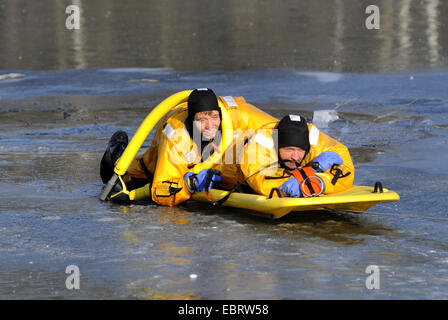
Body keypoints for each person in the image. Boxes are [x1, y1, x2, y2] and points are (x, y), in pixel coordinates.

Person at [100, 88, 278, 206]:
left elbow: (282, 129)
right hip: (160, 167)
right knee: (130, 176)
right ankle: (118, 156)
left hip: (216, 159)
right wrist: (190, 183)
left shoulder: (240, 114)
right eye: (202, 120)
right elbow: (160, 190)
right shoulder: (176, 136)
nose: (210, 125)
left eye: (214, 117)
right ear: (192, 120)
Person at [237, 114, 354, 198]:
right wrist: (308, 177)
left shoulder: (314, 142)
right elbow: (261, 182)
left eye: (300, 150)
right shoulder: (259, 145)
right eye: (289, 149)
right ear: (277, 146)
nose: (295, 156)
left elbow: (347, 172)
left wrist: (319, 182)